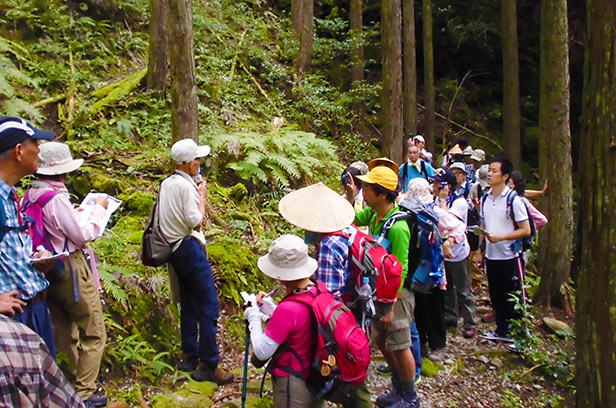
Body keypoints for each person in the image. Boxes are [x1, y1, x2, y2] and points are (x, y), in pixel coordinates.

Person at [24, 142, 109, 407]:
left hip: (45, 267)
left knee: (62, 328)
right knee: (93, 329)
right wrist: (99, 209)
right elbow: (82, 235)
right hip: (69, 264)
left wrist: (77, 213)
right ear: (63, 172)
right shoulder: (56, 198)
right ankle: (85, 392)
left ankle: (68, 384)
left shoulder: (31, 195)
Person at [278, 182, 372, 407]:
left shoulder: (329, 244)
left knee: (348, 374)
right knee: (353, 369)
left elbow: (328, 296)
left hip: (341, 318)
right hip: (356, 307)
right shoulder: (347, 230)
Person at [159, 138, 233, 384]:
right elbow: (196, 221)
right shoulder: (186, 187)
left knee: (189, 302)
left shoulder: (167, 184)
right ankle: (209, 364)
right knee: (209, 305)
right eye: (197, 159)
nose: (200, 163)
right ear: (190, 164)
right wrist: (202, 194)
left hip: (173, 250)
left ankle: (189, 355)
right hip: (189, 247)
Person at [349, 164, 420, 408]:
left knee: (400, 345)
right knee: (382, 342)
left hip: (397, 296)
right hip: (378, 292)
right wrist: (350, 195)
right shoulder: (375, 214)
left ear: (381, 194)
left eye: (367, 188)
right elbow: (350, 218)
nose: (363, 192)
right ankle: (397, 389)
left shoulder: (398, 227)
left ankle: (410, 397)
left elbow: (402, 268)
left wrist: (391, 307)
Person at [244, 235, 325, 408]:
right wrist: (269, 307)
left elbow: (262, 351)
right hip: (317, 377)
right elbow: (299, 324)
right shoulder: (317, 290)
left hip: (293, 384)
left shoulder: (288, 309)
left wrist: (253, 317)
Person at [0, 116, 57, 357]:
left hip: (34, 311)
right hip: (14, 320)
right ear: (19, 151)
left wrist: (36, 259)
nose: (39, 149)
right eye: (35, 142)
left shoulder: (9, 195)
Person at [480, 157, 531, 342]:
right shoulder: (485, 198)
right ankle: (502, 330)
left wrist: (501, 237)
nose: (490, 174)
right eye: (489, 170)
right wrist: (481, 248)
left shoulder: (514, 200)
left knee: (514, 295)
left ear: (505, 176)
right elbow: (483, 223)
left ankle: (521, 334)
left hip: (510, 256)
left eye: (494, 171)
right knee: (496, 294)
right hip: (490, 255)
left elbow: (526, 229)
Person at [0, 313, 86, 407]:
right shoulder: (21, 340)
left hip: (34, 312)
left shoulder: (21, 339)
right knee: (94, 333)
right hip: (27, 313)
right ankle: (86, 393)